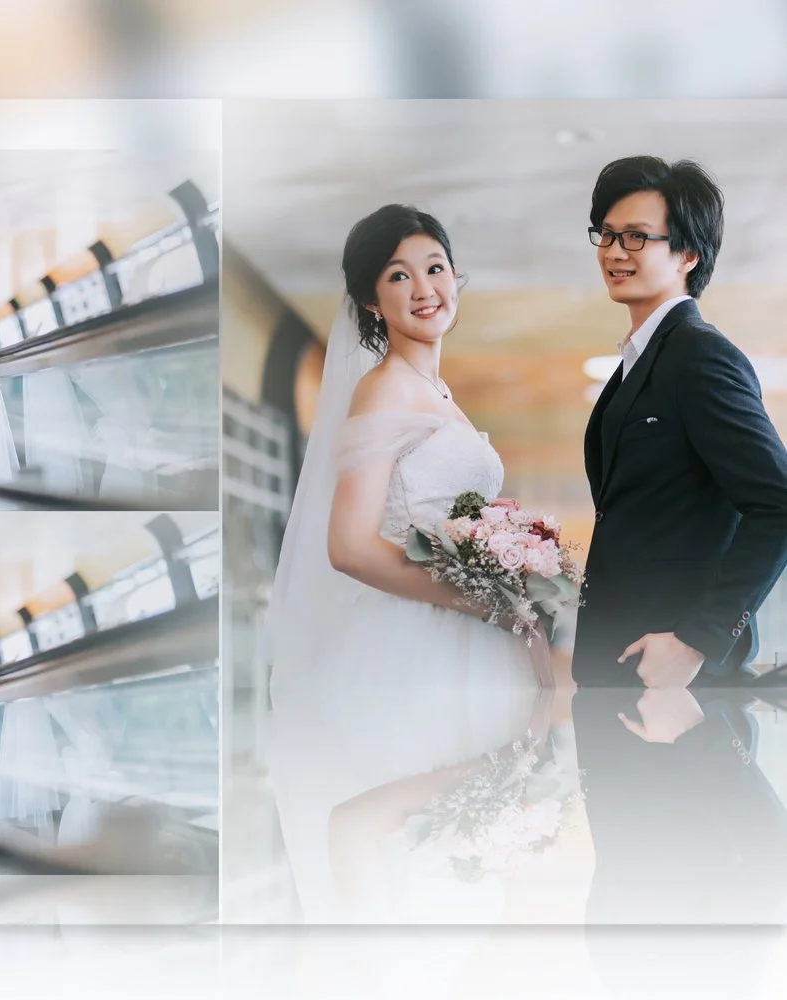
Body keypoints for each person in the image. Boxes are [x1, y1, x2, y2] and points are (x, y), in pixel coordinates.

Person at [264, 204, 547, 920]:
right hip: (410, 641)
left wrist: (508, 586)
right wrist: (479, 600)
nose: (424, 287)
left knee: (450, 859)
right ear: (370, 299)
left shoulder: (439, 398)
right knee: (411, 817)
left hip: (469, 637)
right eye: (399, 274)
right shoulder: (383, 388)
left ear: (457, 278)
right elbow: (350, 545)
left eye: (435, 267)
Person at [571, 156, 787, 687]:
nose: (615, 251)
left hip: (670, 674)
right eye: (607, 234)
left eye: (638, 237)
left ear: (688, 253)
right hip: (619, 662)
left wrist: (699, 641)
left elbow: (778, 502)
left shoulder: (699, 356)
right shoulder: (639, 361)